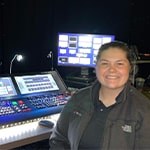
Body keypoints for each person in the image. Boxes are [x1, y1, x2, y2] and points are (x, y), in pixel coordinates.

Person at [49, 41, 150, 150]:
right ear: (96, 67)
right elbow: (58, 141)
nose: (112, 69)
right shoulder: (77, 99)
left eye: (119, 63)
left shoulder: (144, 110)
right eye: (105, 63)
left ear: (130, 68)